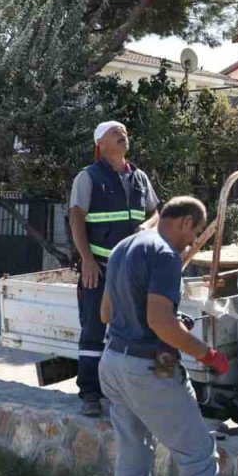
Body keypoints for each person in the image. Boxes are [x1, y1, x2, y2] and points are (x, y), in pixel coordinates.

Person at [98, 196, 231, 476]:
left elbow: (106, 314)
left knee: (132, 457)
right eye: (194, 233)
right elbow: (159, 324)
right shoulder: (165, 255)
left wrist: (171, 323)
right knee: (198, 459)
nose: (191, 242)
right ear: (186, 222)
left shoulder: (124, 246)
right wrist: (209, 355)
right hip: (149, 369)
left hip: (113, 362)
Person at [67, 120, 159, 417]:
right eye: (115, 133)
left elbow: (155, 212)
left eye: (124, 133)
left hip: (133, 274)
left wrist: (149, 224)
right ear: (100, 144)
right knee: (93, 332)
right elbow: (76, 218)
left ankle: (124, 393)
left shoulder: (140, 178)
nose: (123, 136)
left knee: (132, 333)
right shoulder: (88, 177)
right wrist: (88, 261)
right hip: (101, 270)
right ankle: (90, 394)